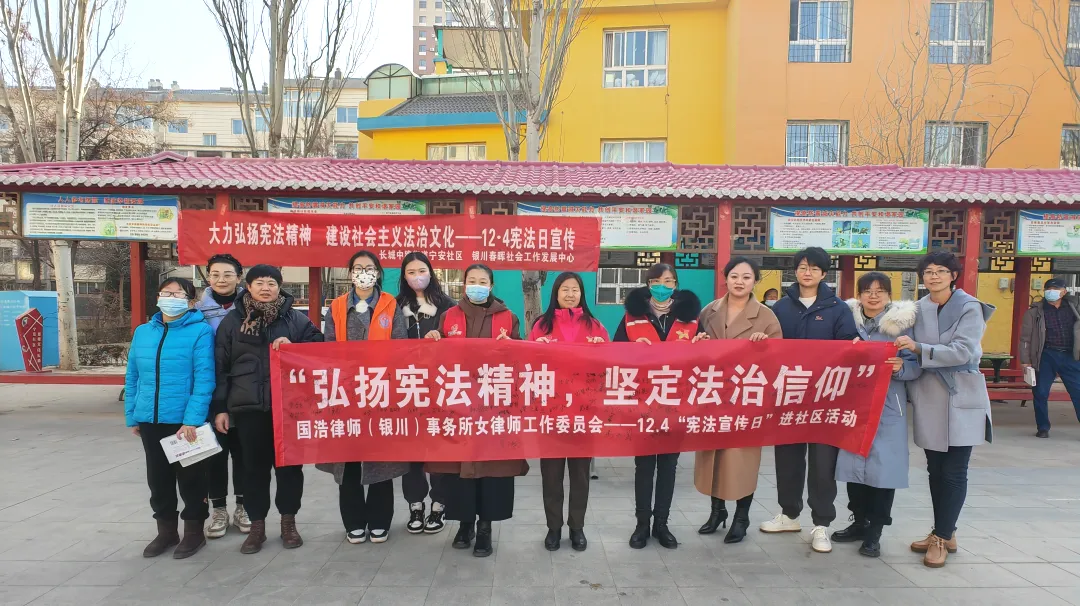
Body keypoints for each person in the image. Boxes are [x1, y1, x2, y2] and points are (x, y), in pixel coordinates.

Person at [212, 264, 324, 554]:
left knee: (290, 469)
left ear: (279, 287)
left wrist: (294, 346)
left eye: (271, 283)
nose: (265, 288)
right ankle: (257, 527)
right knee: (253, 470)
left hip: (289, 408)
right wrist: (220, 408)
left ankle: (289, 523)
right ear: (248, 287)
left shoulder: (295, 319)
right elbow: (220, 367)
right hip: (249, 409)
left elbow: (320, 349)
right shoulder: (233, 321)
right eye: (259, 283)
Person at [424, 264, 528, 557]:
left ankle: (485, 528)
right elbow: (437, 359)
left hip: (493, 406)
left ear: (491, 286)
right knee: (459, 470)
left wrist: (512, 347)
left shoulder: (508, 317)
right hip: (459, 406)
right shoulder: (449, 316)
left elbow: (521, 359)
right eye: (472, 280)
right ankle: (464, 524)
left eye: (483, 281)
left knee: (491, 470)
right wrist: (434, 339)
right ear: (464, 284)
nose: (477, 286)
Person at [899, 251, 993, 568]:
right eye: (928, 271)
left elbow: (963, 350)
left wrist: (919, 349)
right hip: (929, 394)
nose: (934, 276)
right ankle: (944, 531)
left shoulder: (970, 307)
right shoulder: (918, 308)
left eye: (940, 271)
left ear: (953, 275)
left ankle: (941, 536)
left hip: (962, 392)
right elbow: (908, 351)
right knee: (935, 469)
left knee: (954, 470)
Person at [761, 246, 858, 554]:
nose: (808, 272)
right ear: (795, 271)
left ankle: (821, 523)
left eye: (814, 268)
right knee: (787, 458)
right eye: (803, 267)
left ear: (823, 273)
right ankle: (789, 514)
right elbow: (768, 345)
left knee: (823, 463)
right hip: (788, 395)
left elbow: (848, 346)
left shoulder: (838, 308)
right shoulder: (780, 307)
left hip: (824, 398)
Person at [316, 251, 410, 545]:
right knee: (349, 459)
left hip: (381, 391)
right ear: (350, 273)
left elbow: (400, 346)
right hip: (345, 393)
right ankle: (354, 521)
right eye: (358, 268)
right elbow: (328, 347)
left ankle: (380, 520)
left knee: (381, 458)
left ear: (378, 273)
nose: (363, 273)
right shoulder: (337, 306)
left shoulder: (390, 304)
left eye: (369, 268)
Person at [613, 263, 707, 550]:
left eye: (668, 281)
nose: (662, 286)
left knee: (668, 466)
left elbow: (705, 359)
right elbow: (615, 354)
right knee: (644, 466)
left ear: (675, 284)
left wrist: (702, 345)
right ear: (648, 284)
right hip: (642, 403)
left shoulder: (691, 318)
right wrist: (632, 349)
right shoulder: (632, 317)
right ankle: (642, 524)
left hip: (676, 403)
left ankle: (662, 524)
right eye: (656, 281)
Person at [125, 277, 215, 559]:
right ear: (158, 298)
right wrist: (133, 415)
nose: (170, 298)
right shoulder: (143, 332)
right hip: (150, 418)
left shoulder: (200, 331)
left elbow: (204, 378)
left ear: (190, 302)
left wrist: (192, 419)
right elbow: (133, 375)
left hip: (184, 422)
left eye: (178, 294)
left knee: (191, 479)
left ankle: (194, 532)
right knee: (158, 479)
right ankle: (166, 532)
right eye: (166, 293)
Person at [833, 272, 920, 558]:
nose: (873, 296)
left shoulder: (902, 326)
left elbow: (916, 366)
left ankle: (875, 530)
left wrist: (901, 368)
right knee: (854, 467)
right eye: (867, 291)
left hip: (888, 407)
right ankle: (859, 521)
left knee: (884, 471)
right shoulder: (848, 322)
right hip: (854, 405)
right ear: (858, 295)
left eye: (880, 291)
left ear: (888, 295)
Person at [694, 257, 780, 545]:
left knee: (742, 459)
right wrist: (698, 343)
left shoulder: (766, 317)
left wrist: (764, 347)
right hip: (714, 396)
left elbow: (779, 360)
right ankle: (716, 511)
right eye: (734, 276)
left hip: (747, 398)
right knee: (714, 456)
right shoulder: (709, 311)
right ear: (726, 278)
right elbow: (693, 351)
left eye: (746, 277)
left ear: (755, 281)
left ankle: (742, 517)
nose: (739, 282)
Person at [528, 272, 609, 552]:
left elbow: (608, 367)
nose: (571, 294)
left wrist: (601, 350)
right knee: (551, 476)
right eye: (565, 289)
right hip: (551, 413)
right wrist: (535, 350)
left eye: (575, 289)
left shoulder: (595, 325)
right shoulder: (541, 325)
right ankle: (553, 528)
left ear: (582, 294)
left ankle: (577, 527)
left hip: (584, 413)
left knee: (580, 476)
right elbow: (528, 366)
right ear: (556, 293)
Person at [396, 252, 455, 535]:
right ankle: (415, 505)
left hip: (440, 389)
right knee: (411, 452)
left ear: (431, 273)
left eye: (422, 270)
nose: (417, 276)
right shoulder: (395, 306)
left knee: (440, 450)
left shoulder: (448, 306)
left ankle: (439, 504)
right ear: (404, 276)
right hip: (406, 390)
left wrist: (442, 339)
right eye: (411, 272)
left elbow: (460, 341)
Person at [195, 253, 250, 539]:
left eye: (228, 274)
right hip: (208, 392)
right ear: (208, 277)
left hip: (244, 391)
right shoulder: (196, 313)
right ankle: (218, 510)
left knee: (243, 454)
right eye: (215, 274)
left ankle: (243, 506)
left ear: (239, 277)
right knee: (214, 455)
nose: (221, 279)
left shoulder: (251, 308)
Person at [1019, 278, 1080, 438]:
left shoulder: (1074, 309)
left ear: (1064, 292)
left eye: (1055, 289)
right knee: (1040, 392)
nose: (1051, 291)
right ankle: (1043, 428)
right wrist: (1025, 360)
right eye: (1048, 289)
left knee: (1078, 392)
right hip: (1046, 356)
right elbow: (1025, 338)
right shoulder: (1034, 312)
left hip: (1070, 356)